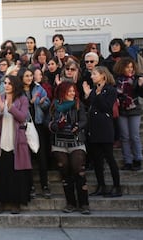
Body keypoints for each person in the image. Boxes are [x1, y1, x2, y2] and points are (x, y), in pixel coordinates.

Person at [0, 75, 32, 214]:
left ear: (15, 85)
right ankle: (0, 202)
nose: (6, 85)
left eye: (9, 83)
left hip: (17, 141)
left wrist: (10, 107)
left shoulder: (23, 99)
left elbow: (22, 117)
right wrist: (1, 110)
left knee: (17, 174)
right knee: (2, 172)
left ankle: (16, 203)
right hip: (2, 141)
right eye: (5, 83)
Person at [49, 81, 89, 214]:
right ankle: (70, 203)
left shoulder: (78, 104)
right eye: (69, 91)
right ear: (63, 92)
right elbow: (47, 121)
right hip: (59, 144)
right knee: (65, 171)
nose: (72, 93)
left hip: (76, 142)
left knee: (78, 169)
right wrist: (55, 125)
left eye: (74, 91)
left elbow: (84, 119)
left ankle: (84, 204)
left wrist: (77, 126)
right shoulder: (54, 105)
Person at [83, 66, 122, 198]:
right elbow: (90, 106)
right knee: (97, 160)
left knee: (110, 158)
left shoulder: (110, 90)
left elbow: (106, 107)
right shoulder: (94, 90)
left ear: (103, 75)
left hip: (105, 128)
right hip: (94, 128)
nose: (92, 76)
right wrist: (88, 95)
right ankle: (101, 186)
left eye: (94, 74)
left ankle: (117, 186)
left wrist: (98, 95)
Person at [19, 67, 52, 199]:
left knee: (41, 156)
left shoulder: (38, 88)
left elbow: (47, 103)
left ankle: (45, 185)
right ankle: (30, 186)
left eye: (31, 76)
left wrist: (41, 103)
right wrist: (29, 102)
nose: (29, 78)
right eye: (26, 76)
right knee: (27, 157)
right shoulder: (18, 91)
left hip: (38, 125)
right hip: (24, 127)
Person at [114, 57, 143, 171]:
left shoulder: (137, 78)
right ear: (121, 67)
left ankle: (137, 159)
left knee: (134, 136)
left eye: (131, 67)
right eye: (127, 67)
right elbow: (115, 94)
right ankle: (127, 161)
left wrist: (141, 85)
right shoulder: (117, 80)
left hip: (134, 109)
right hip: (122, 110)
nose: (129, 69)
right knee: (124, 136)